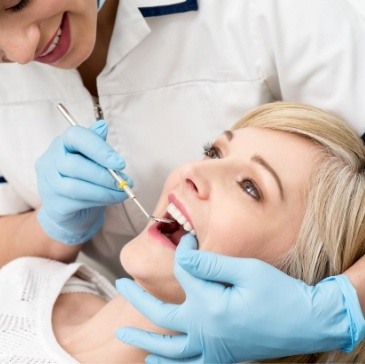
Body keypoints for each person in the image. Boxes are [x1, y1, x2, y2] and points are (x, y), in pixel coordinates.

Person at [0, 0, 365, 362]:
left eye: (250, 187)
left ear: (302, 275)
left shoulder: (283, 14)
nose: (20, 51)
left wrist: (340, 305)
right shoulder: (25, 283)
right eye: (213, 152)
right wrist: (48, 229)